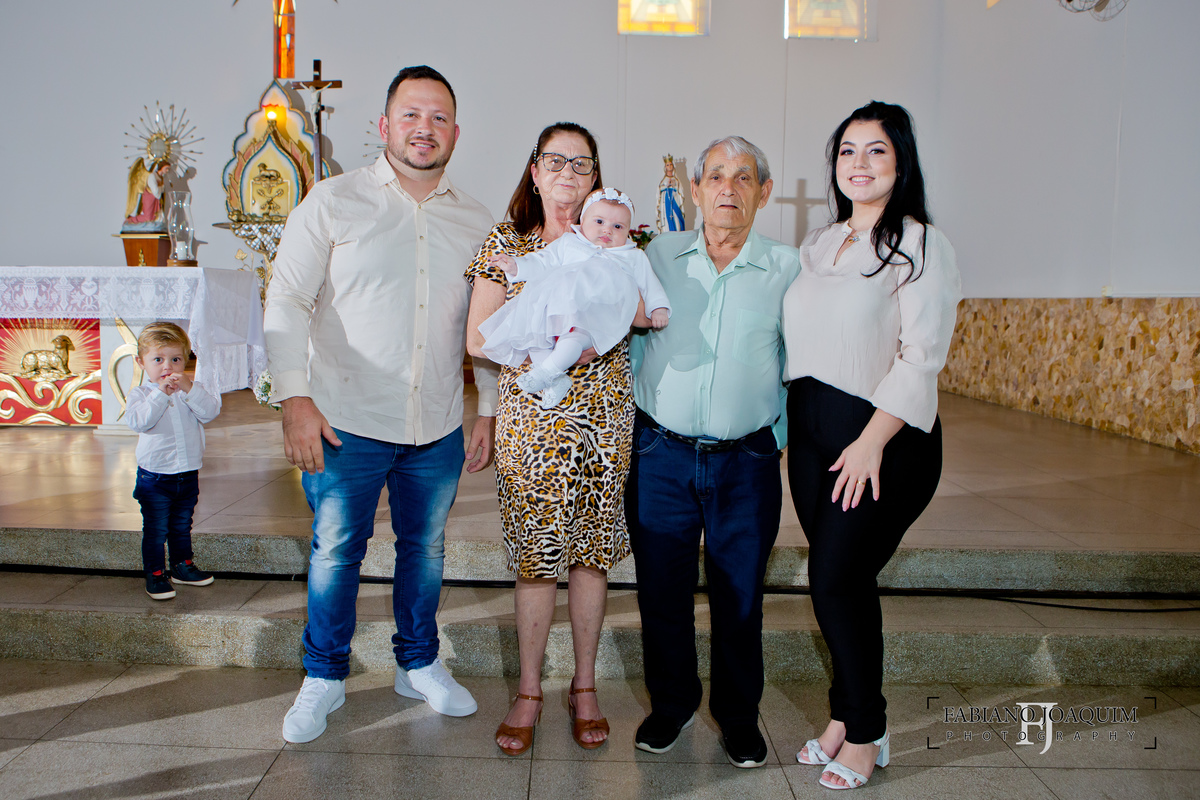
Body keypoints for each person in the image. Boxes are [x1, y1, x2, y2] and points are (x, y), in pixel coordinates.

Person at [264, 65, 498, 745]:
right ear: (384, 125)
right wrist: (294, 398)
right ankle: (324, 675)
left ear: (456, 132)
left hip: (436, 423)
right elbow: (286, 298)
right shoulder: (333, 202)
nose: (425, 128)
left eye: (439, 117)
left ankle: (417, 663)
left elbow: (487, 327)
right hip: (345, 421)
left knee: (425, 550)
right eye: (411, 115)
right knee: (337, 551)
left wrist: (488, 408)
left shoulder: (476, 220)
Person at [783, 101, 961, 790]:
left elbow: (922, 356)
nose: (859, 163)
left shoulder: (920, 243)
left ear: (901, 161)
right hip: (812, 435)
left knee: (833, 578)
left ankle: (865, 734)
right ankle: (845, 714)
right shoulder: (819, 243)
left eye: (876, 150)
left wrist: (869, 443)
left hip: (883, 439)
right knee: (843, 582)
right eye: (848, 150)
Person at [466, 122, 642, 755]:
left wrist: (599, 329)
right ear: (535, 172)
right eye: (556, 161)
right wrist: (548, 350)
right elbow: (477, 337)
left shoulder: (618, 240)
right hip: (534, 421)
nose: (568, 172)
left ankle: (585, 686)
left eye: (581, 163)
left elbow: (644, 310)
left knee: (592, 555)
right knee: (537, 557)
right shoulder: (507, 241)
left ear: (596, 178)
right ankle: (530, 690)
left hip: (603, 417)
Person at [625, 136, 800, 768]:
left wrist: (775, 439)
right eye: (716, 176)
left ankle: (738, 716)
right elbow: (625, 334)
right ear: (695, 190)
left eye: (744, 176)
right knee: (661, 591)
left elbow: (800, 363)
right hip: (661, 456)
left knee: (741, 596)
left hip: (746, 461)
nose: (729, 187)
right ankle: (671, 705)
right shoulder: (657, 256)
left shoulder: (787, 268)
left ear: (763, 192)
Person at [479, 186, 670, 408]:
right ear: (582, 221)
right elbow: (542, 261)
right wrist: (516, 266)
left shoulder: (632, 256)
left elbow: (649, 284)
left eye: (617, 226)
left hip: (593, 320)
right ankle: (555, 380)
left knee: (573, 341)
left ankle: (548, 371)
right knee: (535, 339)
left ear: (628, 231)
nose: (607, 230)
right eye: (599, 221)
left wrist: (658, 307)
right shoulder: (569, 243)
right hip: (554, 312)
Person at [126, 322, 221, 601]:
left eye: (176, 359)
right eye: (158, 359)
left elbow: (209, 412)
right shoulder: (141, 395)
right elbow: (140, 422)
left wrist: (189, 388)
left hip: (187, 473)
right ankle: (156, 574)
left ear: (186, 360)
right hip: (154, 477)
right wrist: (161, 393)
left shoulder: (191, 390)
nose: (167, 367)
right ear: (141, 362)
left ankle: (182, 566)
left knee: (181, 525)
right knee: (156, 529)